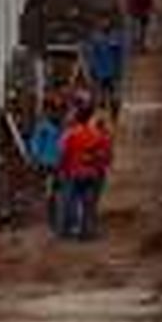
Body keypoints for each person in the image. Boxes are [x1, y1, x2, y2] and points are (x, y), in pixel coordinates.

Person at [58, 103, 113, 240]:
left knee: (70, 201)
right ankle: (86, 231)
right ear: (90, 118)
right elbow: (106, 154)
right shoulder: (98, 135)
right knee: (88, 203)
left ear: (76, 118)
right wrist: (99, 165)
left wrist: (61, 169)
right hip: (91, 173)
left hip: (73, 172)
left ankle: (69, 229)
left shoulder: (70, 135)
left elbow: (63, 153)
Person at [28, 108, 64, 233]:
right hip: (49, 164)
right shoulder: (45, 128)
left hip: (55, 164)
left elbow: (34, 144)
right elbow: (35, 144)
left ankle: (54, 216)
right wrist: (36, 158)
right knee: (52, 191)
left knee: (54, 191)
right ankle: (51, 216)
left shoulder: (57, 129)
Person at [85, 17, 125, 118]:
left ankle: (113, 111)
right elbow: (92, 54)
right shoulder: (96, 38)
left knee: (113, 92)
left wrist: (119, 69)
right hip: (101, 71)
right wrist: (92, 68)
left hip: (112, 70)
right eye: (103, 23)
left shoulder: (115, 37)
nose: (105, 25)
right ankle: (101, 111)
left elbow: (119, 54)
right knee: (102, 93)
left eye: (107, 23)